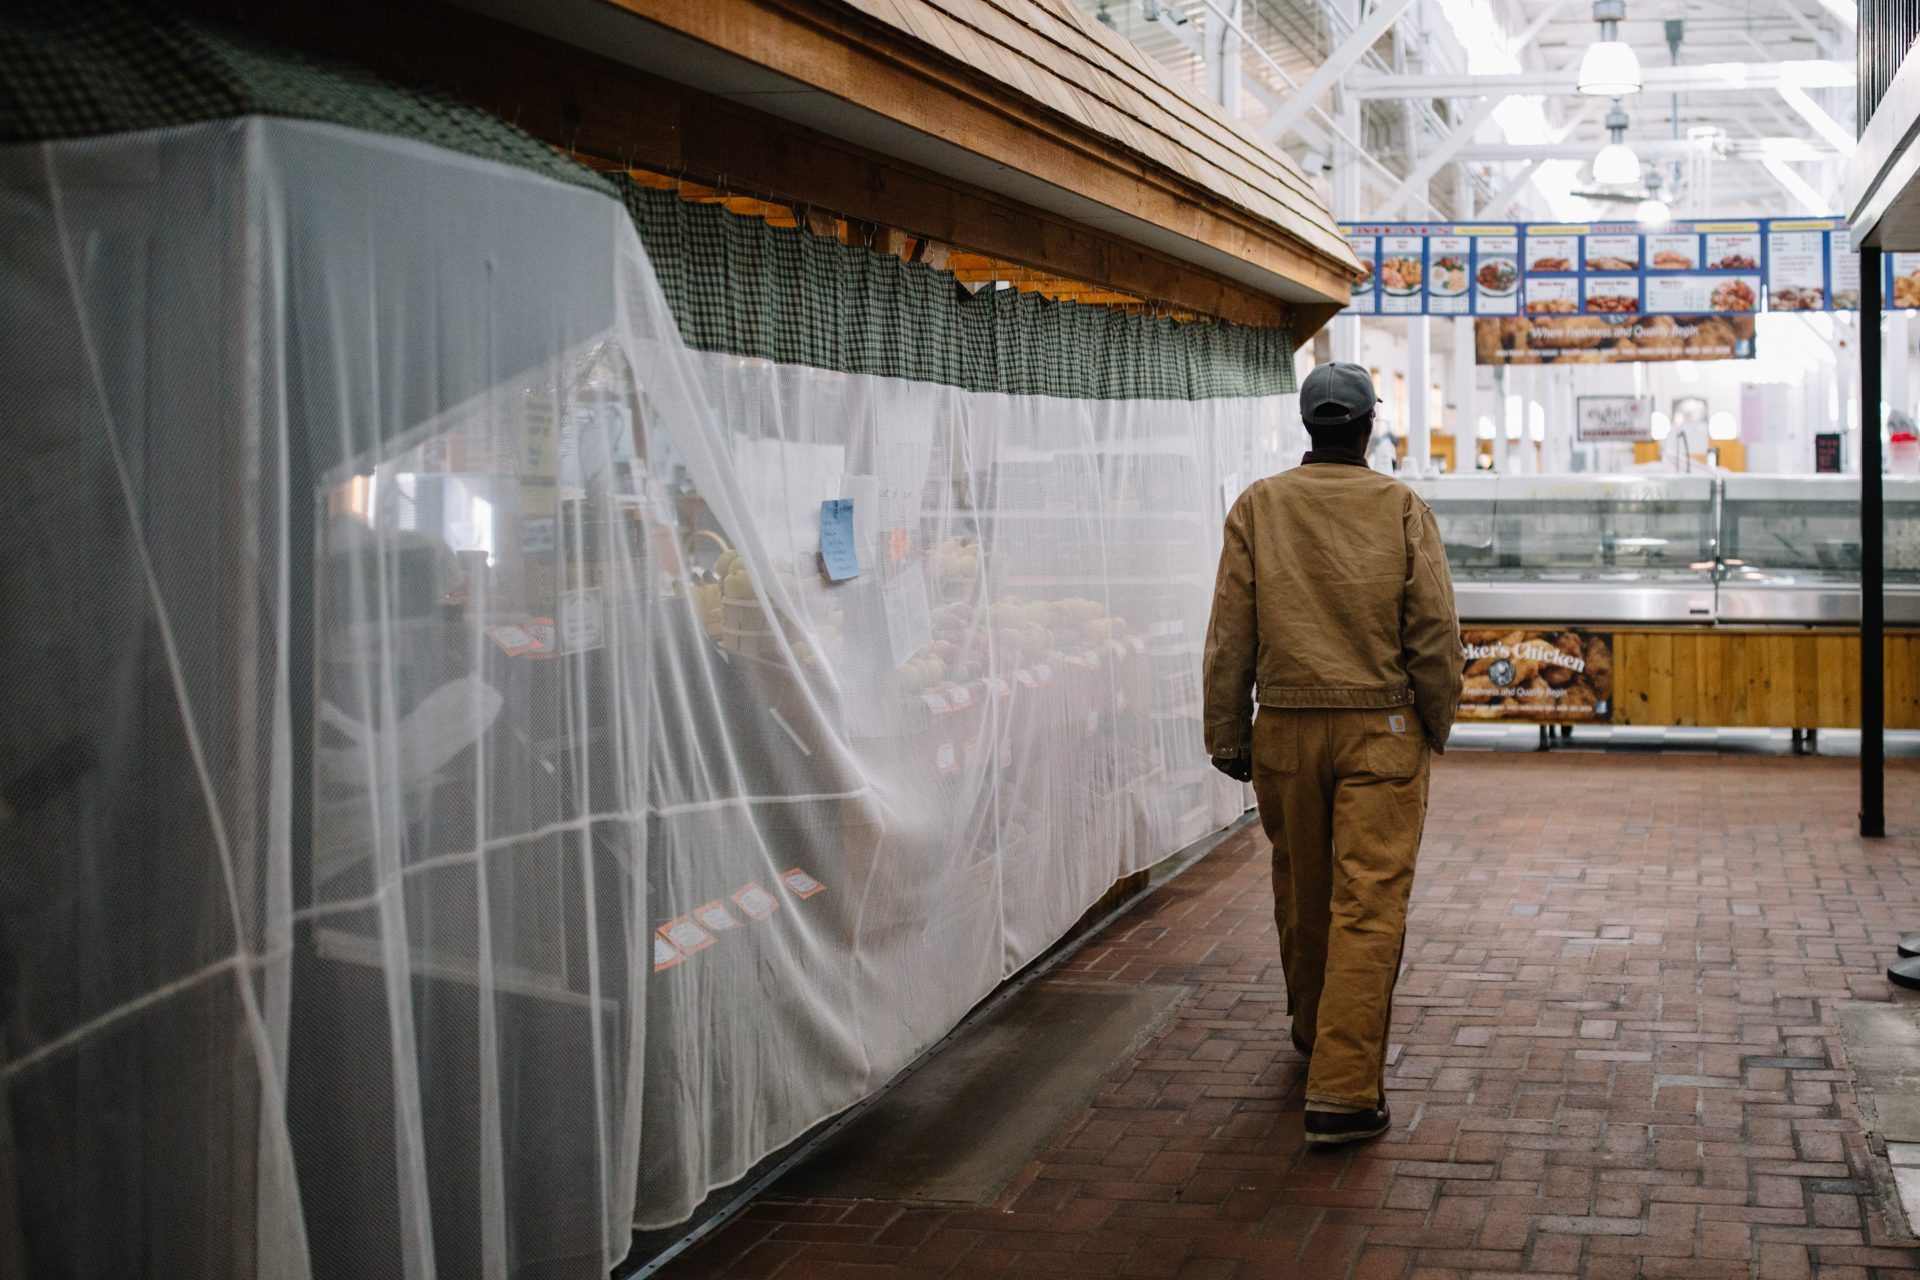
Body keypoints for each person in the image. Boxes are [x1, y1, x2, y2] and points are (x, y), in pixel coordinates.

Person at [1201, 362, 1462, 1147]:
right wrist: (1435, 725)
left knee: (1304, 890)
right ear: (1368, 427)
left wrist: (1227, 733)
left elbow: (1229, 635)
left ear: (1311, 426)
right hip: (1378, 732)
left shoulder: (1260, 504)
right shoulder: (1400, 507)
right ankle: (1345, 1092)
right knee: (1369, 902)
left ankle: (1315, 1032)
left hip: (1283, 729)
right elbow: (1435, 635)